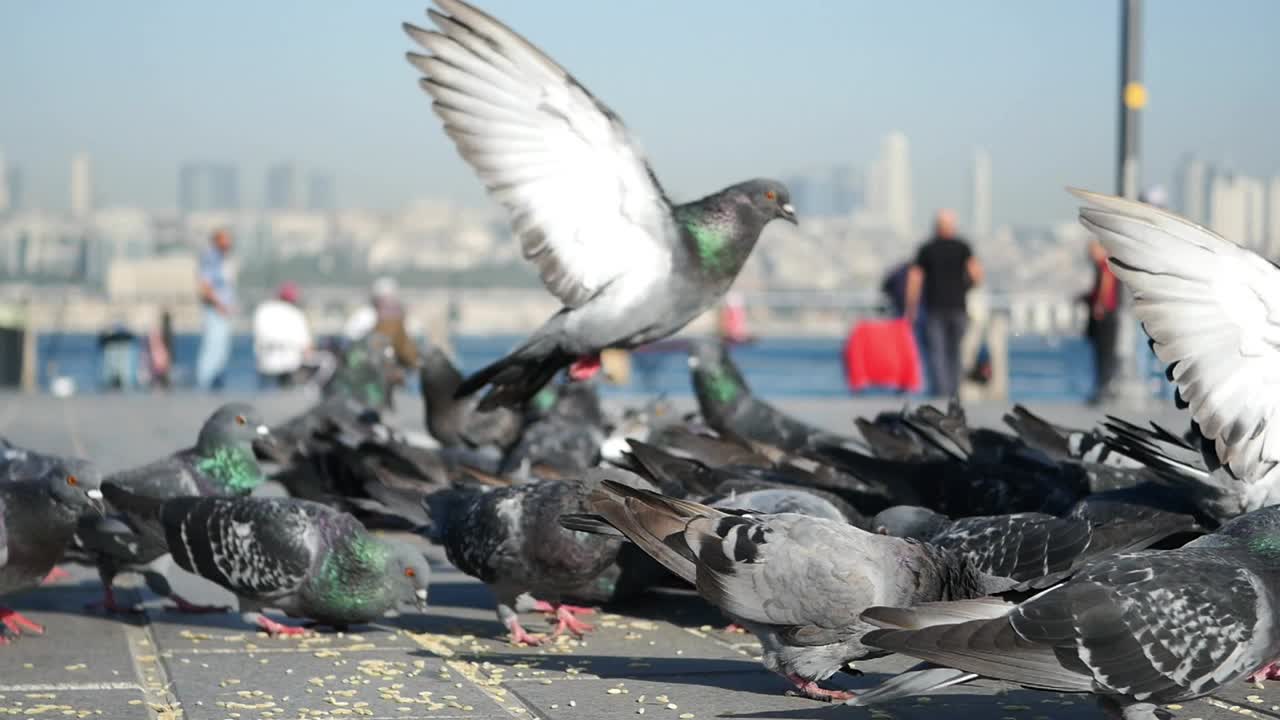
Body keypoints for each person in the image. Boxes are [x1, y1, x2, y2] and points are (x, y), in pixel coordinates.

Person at [905, 209, 983, 399]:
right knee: (955, 352)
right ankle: (954, 392)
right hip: (958, 308)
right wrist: (967, 287)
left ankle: (941, 393)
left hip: (934, 309)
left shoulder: (927, 249)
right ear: (952, 226)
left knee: (937, 353)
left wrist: (911, 308)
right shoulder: (963, 247)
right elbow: (976, 274)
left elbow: (914, 279)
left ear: (936, 227)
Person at [195, 229, 237, 390]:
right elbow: (205, 286)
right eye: (225, 240)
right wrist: (220, 305)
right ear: (217, 241)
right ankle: (205, 384)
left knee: (221, 349)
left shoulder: (222, 259)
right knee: (213, 347)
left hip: (223, 311)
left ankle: (216, 383)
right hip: (215, 311)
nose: (229, 244)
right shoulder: (211, 258)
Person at [253, 282, 313, 388]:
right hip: (290, 367)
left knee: (264, 401)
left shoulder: (263, 310)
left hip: (265, 365)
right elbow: (307, 347)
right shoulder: (296, 314)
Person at [1084, 237, 1119, 403]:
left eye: (1092, 250)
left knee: (1105, 353)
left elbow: (1107, 284)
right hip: (1105, 314)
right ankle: (1103, 386)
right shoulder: (1101, 266)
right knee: (1103, 353)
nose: (1090, 254)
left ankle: (1105, 387)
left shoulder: (1105, 266)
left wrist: (1100, 304)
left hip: (1106, 316)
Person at [344, 276, 399, 343]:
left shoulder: (396, 317)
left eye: (391, 298)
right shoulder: (366, 315)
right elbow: (350, 335)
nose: (389, 302)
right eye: (385, 298)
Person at [146, 310, 174, 390]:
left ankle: (161, 383)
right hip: (160, 356)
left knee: (161, 371)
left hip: (161, 356)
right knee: (159, 371)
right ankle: (159, 383)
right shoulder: (162, 332)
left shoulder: (166, 332)